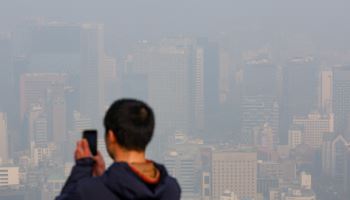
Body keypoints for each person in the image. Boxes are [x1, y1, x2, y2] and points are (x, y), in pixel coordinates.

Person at [56, 99, 181, 200]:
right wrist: (102, 177)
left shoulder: (88, 191)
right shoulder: (171, 189)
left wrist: (82, 167)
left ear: (111, 136)